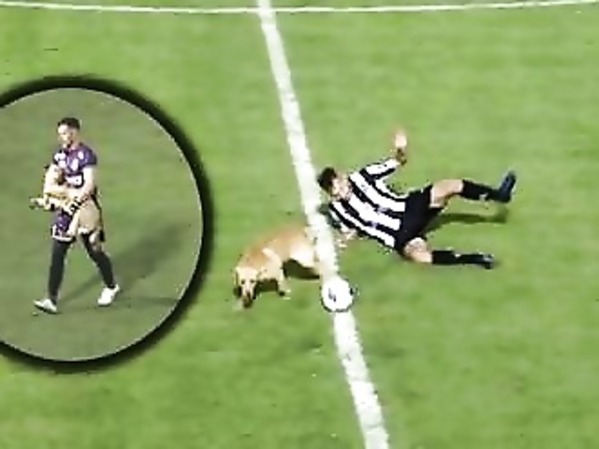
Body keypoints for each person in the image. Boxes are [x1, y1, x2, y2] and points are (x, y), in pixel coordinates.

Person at [316, 129, 517, 269]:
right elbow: (351, 230)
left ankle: (499, 195)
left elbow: (398, 162)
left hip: (409, 207)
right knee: (421, 257)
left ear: (342, 176)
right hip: (398, 236)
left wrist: (401, 149)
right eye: (336, 193)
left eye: (340, 186)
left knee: (450, 185)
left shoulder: (365, 175)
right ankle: (476, 259)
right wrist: (345, 240)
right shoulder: (337, 210)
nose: (341, 193)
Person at [34, 117, 120, 314]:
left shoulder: (86, 155)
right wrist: (59, 196)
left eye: (65, 133)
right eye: (60, 134)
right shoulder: (59, 156)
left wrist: (72, 199)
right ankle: (51, 299)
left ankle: (111, 286)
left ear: (74, 132)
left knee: (95, 252)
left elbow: (89, 186)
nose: (62, 137)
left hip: (86, 210)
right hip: (67, 209)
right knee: (58, 254)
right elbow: (50, 184)